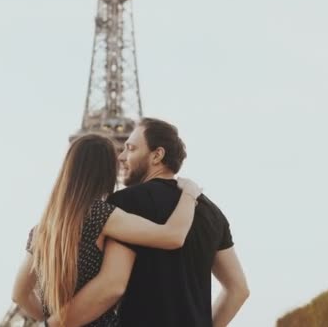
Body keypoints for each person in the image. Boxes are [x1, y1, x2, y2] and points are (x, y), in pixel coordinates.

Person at [46, 118, 249, 327]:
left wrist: (52, 324)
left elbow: (112, 285)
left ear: (157, 155)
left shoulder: (126, 202)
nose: (122, 157)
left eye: (131, 149)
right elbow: (239, 290)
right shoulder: (211, 212)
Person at [11, 133, 202, 326]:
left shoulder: (42, 229)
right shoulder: (100, 215)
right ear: (107, 172)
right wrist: (189, 194)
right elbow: (173, 236)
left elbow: (19, 294)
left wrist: (50, 321)